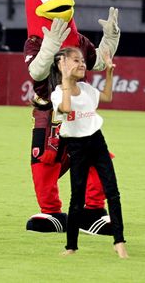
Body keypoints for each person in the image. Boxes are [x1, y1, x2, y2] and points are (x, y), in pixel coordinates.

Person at [22, 0, 118, 234]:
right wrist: (50, 44)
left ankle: (92, 212)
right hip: (49, 115)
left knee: (98, 160)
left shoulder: (77, 41)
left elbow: (99, 60)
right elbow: (37, 73)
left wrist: (111, 38)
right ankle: (51, 212)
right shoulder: (34, 41)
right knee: (45, 164)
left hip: (80, 112)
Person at [50, 47, 127, 258]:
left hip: (97, 141)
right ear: (61, 64)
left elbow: (108, 96)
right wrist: (65, 81)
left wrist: (109, 72)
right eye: (76, 60)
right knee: (77, 198)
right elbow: (65, 108)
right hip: (77, 146)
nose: (82, 64)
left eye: (82, 60)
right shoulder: (57, 94)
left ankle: (119, 241)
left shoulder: (87, 88)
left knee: (112, 191)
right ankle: (71, 247)